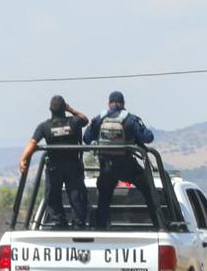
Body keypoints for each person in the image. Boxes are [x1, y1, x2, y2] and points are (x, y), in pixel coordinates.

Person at [84, 90, 158, 229]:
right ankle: (158, 224)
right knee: (148, 189)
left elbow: (86, 138)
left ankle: (101, 229)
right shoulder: (131, 119)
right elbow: (148, 137)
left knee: (104, 198)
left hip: (106, 167)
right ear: (123, 104)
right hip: (127, 166)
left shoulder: (99, 119)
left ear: (109, 104)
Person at [20, 95, 89, 228]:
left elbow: (32, 142)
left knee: (52, 195)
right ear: (64, 108)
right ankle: (79, 224)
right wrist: (72, 110)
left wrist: (23, 158)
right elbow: (85, 120)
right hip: (73, 166)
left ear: (50, 110)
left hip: (54, 167)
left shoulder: (44, 126)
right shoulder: (74, 122)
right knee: (77, 195)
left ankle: (59, 223)